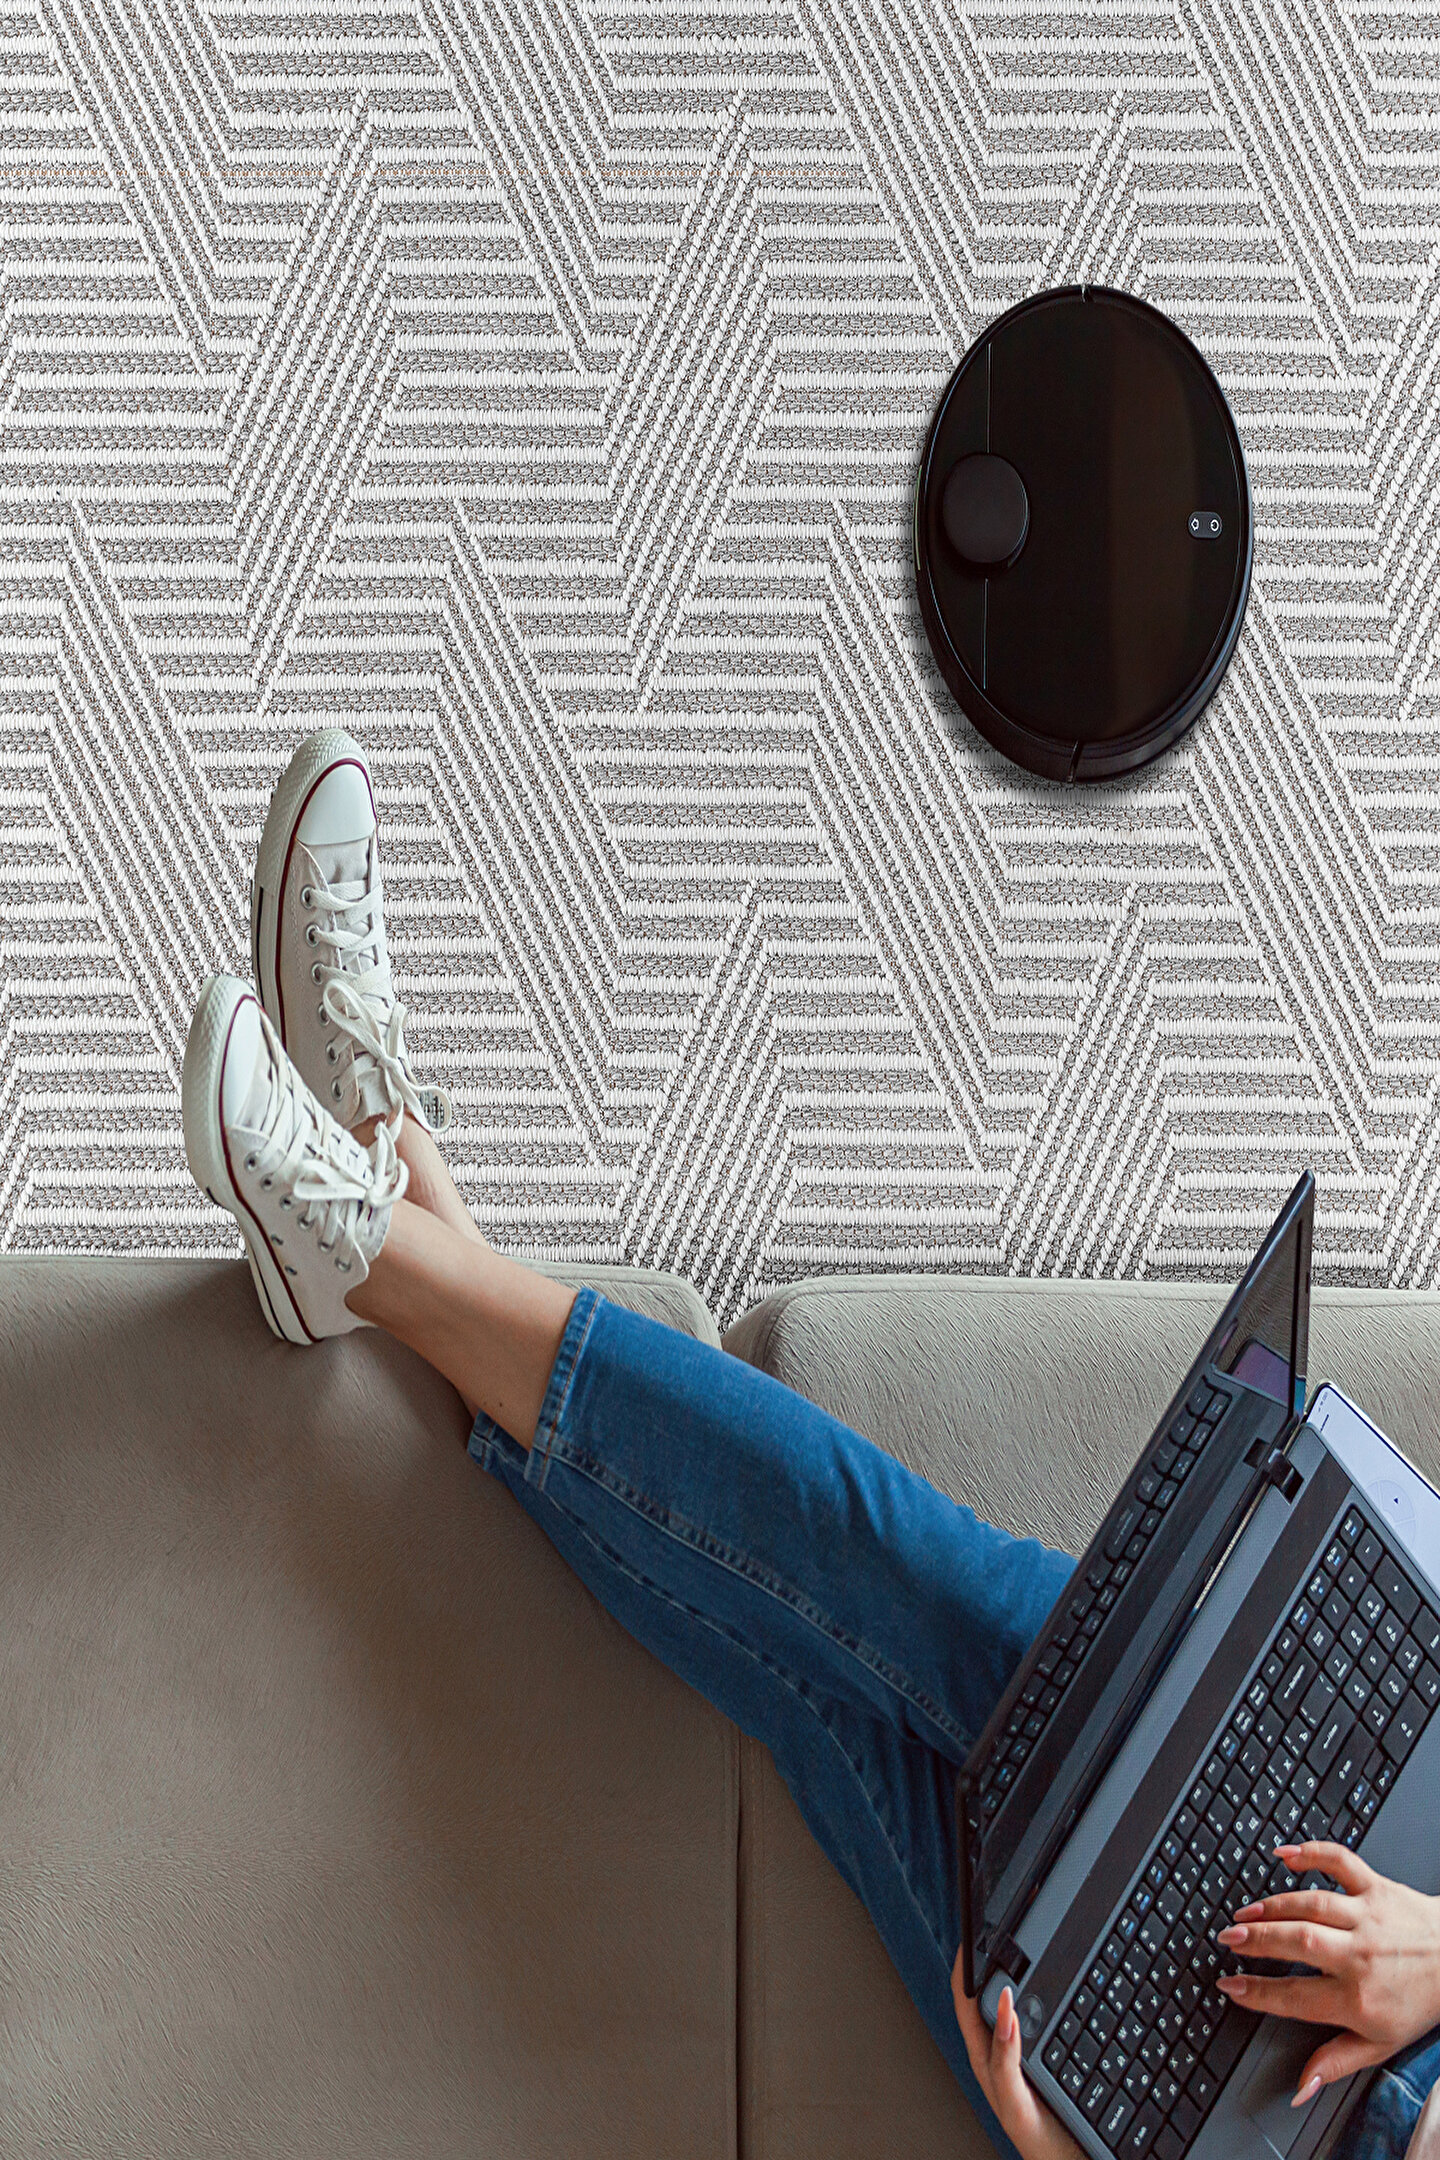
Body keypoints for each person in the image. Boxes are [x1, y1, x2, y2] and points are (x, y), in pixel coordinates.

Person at [182, 729, 1440, 2160]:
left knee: (819, 1666)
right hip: (1389, 1858)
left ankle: (379, 1210)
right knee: (870, 1556)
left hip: (1211, 2127)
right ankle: (379, 1214)